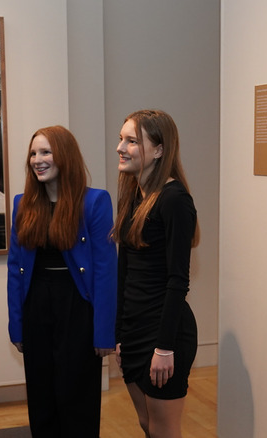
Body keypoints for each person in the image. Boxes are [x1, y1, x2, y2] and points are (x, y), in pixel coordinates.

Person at [7, 125, 117, 437]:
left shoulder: (95, 203)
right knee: (42, 401)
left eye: (45, 152)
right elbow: (16, 269)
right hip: (36, 307)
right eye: (33, 153)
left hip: (77, 307)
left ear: (64, 156)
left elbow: (106, 271)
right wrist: (16, 325)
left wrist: (104, 332)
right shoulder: (22, 204)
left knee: (77, 399)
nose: (37, 160)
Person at [113, 109, 199, 438]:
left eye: (132, 141)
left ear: (159, 150)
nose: (121, 147)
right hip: (134, 333)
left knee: (164, 431)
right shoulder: (134, 195)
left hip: (165, 334)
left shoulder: (175, 200)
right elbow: (125, 271)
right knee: (147, 425)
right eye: (121, 139)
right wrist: (120, 334)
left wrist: (164, 348)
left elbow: (179, 281)